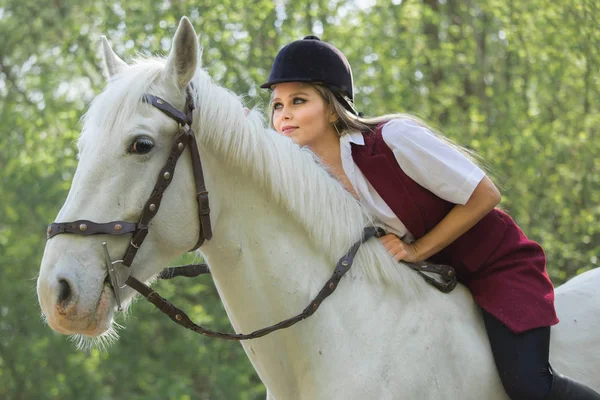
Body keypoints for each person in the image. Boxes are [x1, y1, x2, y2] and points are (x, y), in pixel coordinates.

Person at [260, 35, 600, 400]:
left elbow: (485, 194)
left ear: (332, 108)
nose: (285, 115)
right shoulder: (313, 184)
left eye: (298, 100)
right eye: (278, 105)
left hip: (495, 268)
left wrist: (418, 249)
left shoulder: (393, 139)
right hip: (428, 285)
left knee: (530, 386)